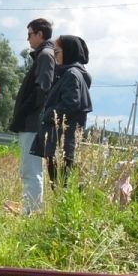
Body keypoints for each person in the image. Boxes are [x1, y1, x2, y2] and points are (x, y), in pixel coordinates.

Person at [7, 19, 56, 212]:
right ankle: (31, 209)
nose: (27, 39)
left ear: (40, 34)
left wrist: (24, 110)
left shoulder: (45, 55)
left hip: (33, 122)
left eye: (30, 34)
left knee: (30, 170)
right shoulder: (45, 55)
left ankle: (31, 212)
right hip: (33, 121)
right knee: (31, 169)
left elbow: (42, 89)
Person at [35, 35, 92, 185]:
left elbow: (70, 104)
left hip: (61, 140)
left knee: (60, 186)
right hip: (63, 141)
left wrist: (46, 115)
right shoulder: (72, 73)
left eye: (57, 52)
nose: (54, 56)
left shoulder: (71, 74)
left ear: (69, 52)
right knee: (61, 186)